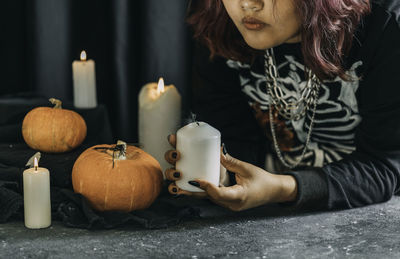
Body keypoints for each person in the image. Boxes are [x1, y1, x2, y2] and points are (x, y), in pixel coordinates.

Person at [164, 0, 400, 212]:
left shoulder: (383, 26)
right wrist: (221, 175)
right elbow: (233, 136)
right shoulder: (217, 23)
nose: (248, 4)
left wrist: (282, 188)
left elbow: (386, 166)